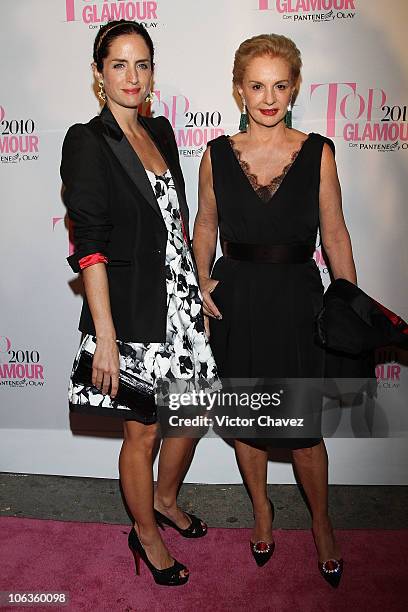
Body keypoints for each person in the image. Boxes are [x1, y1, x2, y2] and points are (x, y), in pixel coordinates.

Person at [193, 34, 357, 588]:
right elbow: (206, 224)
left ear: (294, 89)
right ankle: (262, 509)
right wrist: (201, 274)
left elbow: (333, 232)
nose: (268, 97)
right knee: (248, 422)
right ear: (239, 90)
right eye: (257, 86)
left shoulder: (319, 151)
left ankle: (322, 522)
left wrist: (347, 298)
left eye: (279, 85)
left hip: (296, 298)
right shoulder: (215, 154)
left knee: (304, 430)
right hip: (238, 298)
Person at [61, 20, 218, 587]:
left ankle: (167, 499)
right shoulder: (87, 140)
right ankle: (145, 533)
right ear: (99, 74)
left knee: (193, 410)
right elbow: (91, 246)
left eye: (143, 64)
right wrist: (105, 335)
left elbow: (173, 223)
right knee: (143, 431)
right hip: (128, 313)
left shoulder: (164, 132)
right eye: (119, 65)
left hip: (178, 300)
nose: (133, 76)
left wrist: (196, 281)